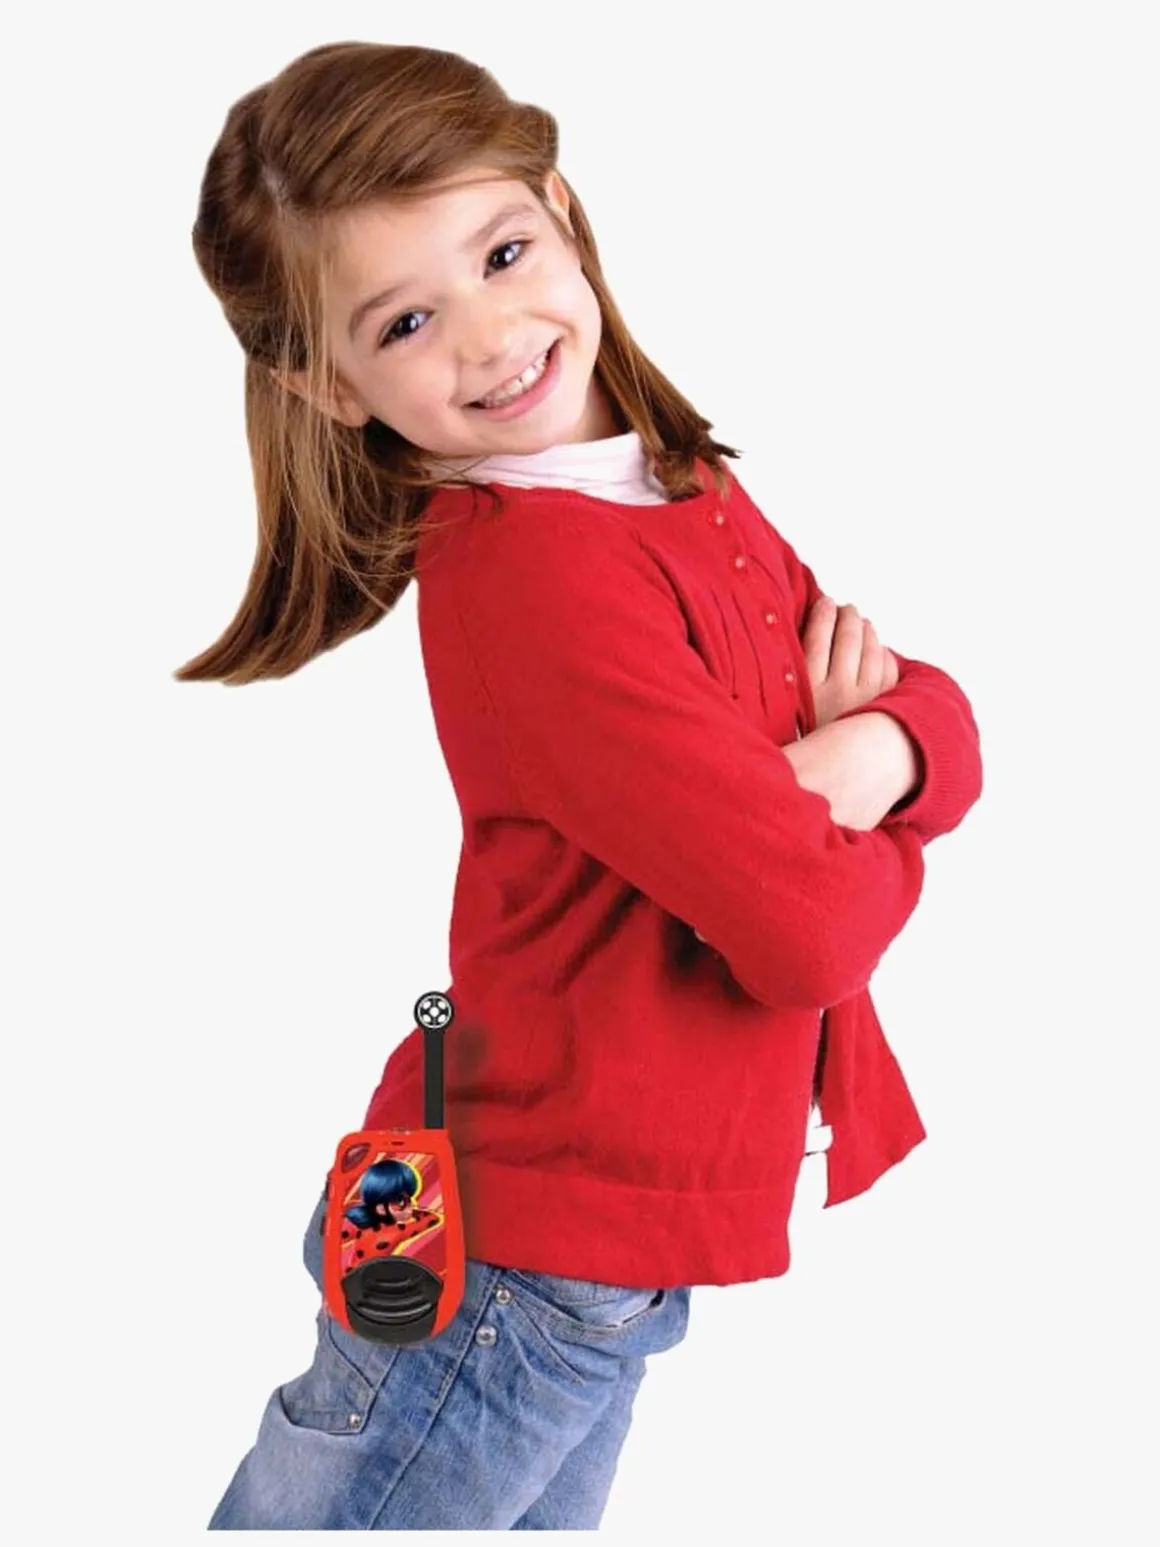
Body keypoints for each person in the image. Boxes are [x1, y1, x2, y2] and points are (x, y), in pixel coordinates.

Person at [181, 39, 984, 1532]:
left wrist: (877, 753)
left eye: (502, 254)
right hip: (511, 1251)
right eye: (408, 320)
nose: (492, 338)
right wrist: (858, 808)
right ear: (326, 381)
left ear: (559, 206)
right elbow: (806, 928)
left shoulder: (670, 482)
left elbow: (920, 703)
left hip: (570, 1247)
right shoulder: (537, 574)